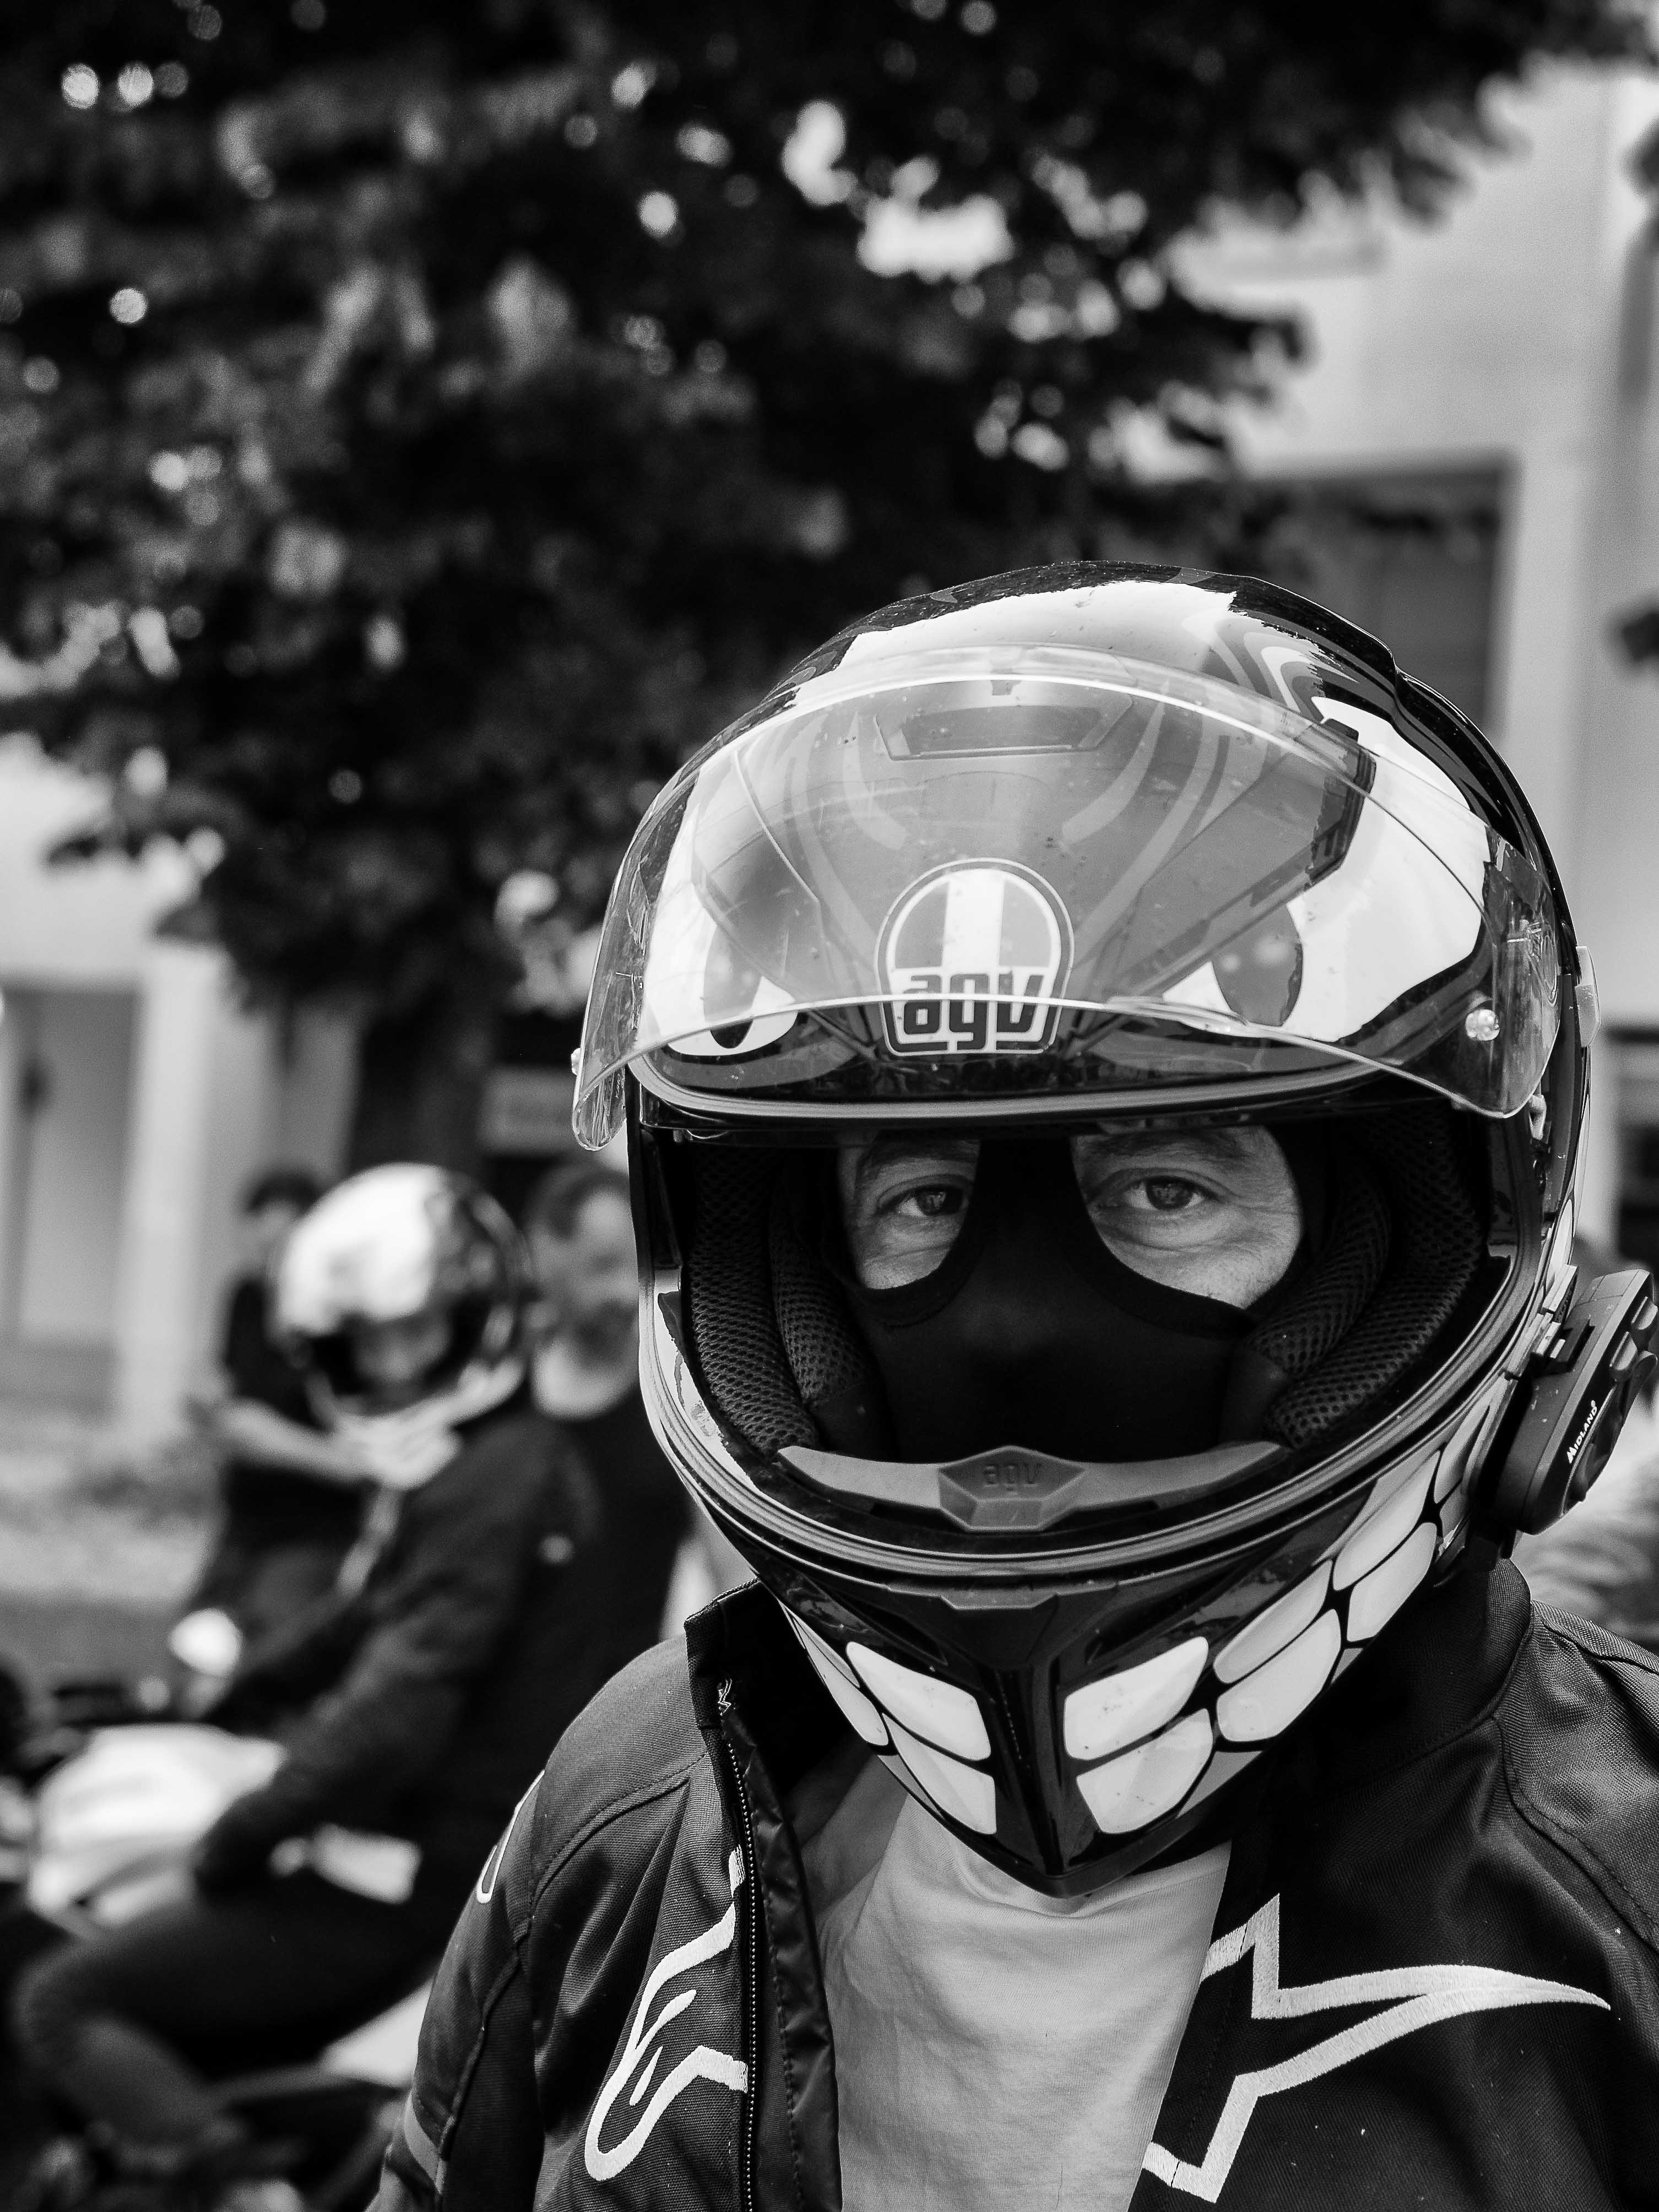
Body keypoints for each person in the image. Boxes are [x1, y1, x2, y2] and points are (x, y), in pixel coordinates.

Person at [378, 567, 1659, 2212]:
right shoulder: (625, 1804)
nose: (1013, 1328)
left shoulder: (1620, 1887)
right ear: (791, 1283)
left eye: (1168, 1187)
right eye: (919, 1197)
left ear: (1422, 1232)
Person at [12, 1165, 607, 2210]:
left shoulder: (492, 1483)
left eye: (413, 1335)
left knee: (62, 2001)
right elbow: (355, 1626)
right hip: (426, 1862)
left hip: (407, 1883)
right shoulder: (482, 1466)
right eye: (365, 1345)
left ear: (479, 1317)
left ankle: (237, 2192)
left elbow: (395, 1711)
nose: (389, 1369)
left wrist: (238, 1835)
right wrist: (202, 1705)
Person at [522, 1157, 705, 1676]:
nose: (627, 1291)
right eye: (603, 1266)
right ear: (544, 1257)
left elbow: (730, 1569)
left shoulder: (673, 1394)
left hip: (613, 1703)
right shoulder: (498, 1383)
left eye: (638, 1266)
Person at [182, 1167, 367, 1649]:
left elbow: (367, 1465)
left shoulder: (345, 1326)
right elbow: (230, 1375)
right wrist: (209, 1397)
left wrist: (276, 1441)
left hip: (315, 1531)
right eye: (260, 1249)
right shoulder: (245, 1296)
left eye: (282, 1251)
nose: (270, 1267)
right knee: (194, 1642)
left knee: (265, 1654)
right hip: (244, 1520)